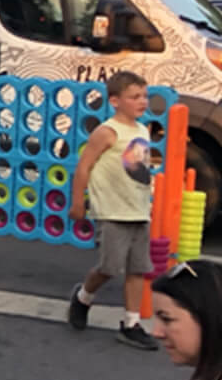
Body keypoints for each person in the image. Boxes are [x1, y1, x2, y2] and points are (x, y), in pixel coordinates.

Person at [66, 69, 159, 350]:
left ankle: (130, 324)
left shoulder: (142, 130)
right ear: (115, 101)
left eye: (144, 96)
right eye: (134, 97)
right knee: (109, 267)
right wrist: (77, 201)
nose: (142, 102)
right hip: (112, 210)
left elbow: (139, 167)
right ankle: (83, 296)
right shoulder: (107, 132)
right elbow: (84, 166)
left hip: (138, 209)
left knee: (137, 269)